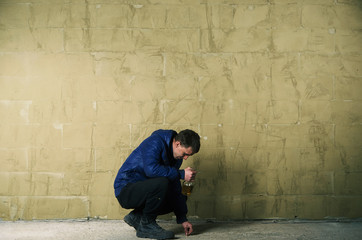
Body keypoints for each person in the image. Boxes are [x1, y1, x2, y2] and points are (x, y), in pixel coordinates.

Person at [114, 129, 201, 239]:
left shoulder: (176, 158)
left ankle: (137, 217)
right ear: (177, 144)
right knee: (163, 182)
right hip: (126, 189)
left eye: (189, 155)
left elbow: (174, 186)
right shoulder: (155, 141)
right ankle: (147, 226)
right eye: (185, 154)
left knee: (177, 196)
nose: (186, 158)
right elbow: (151, 170)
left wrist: (183, 219)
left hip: (145, 189)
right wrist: (181, 173)